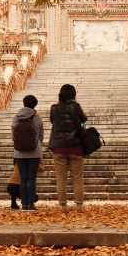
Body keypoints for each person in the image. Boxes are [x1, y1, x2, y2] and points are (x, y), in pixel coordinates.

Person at [48, 83, 87, 211]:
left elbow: (53, 121)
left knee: (61, 179)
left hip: (59, 147)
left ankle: (63, 205)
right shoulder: (76, 107)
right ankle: (79, 205)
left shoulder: (54, 108)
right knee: (77, 178)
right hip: (75, 147)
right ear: (73, 95)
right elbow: (84, 119)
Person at [11, 94, 44, 211]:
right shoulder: (37, 118)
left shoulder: (16, 118)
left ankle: (23, 204)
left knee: (23, 179)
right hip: (34, 152)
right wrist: (35, 146)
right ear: (35, 104)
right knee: (32, 179)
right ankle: (31, 204)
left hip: (19, 152)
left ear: (24, 103)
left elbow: (13, 135)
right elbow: (41, 137)